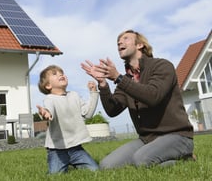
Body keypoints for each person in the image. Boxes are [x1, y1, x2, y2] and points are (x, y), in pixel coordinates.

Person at [81, 29, 194, 169]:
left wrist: (118, 78)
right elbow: (112, 110)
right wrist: (103, 85)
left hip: (176, 136)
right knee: (106, 166)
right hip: (147, 139)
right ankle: (167, 157)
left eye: (125, 39)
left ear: (140, 45)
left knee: (141, 160)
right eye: (118, 42)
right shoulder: (126, 79)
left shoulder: (162, 66)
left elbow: (153, 96)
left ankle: (185, 158)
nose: (120, 42)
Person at [36, 65, 100, 174]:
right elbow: (48, 110)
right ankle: (61, 163)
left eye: (62, 73)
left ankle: (75, 162)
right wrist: (45, 113)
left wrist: (93, 93)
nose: (61, 74)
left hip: (76, 149)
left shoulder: (74, 95)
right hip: (57, 150)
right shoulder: (50, 99)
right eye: (55, 74)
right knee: (55, 176)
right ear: (48, 85)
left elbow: (88, 114)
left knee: (94, 171)